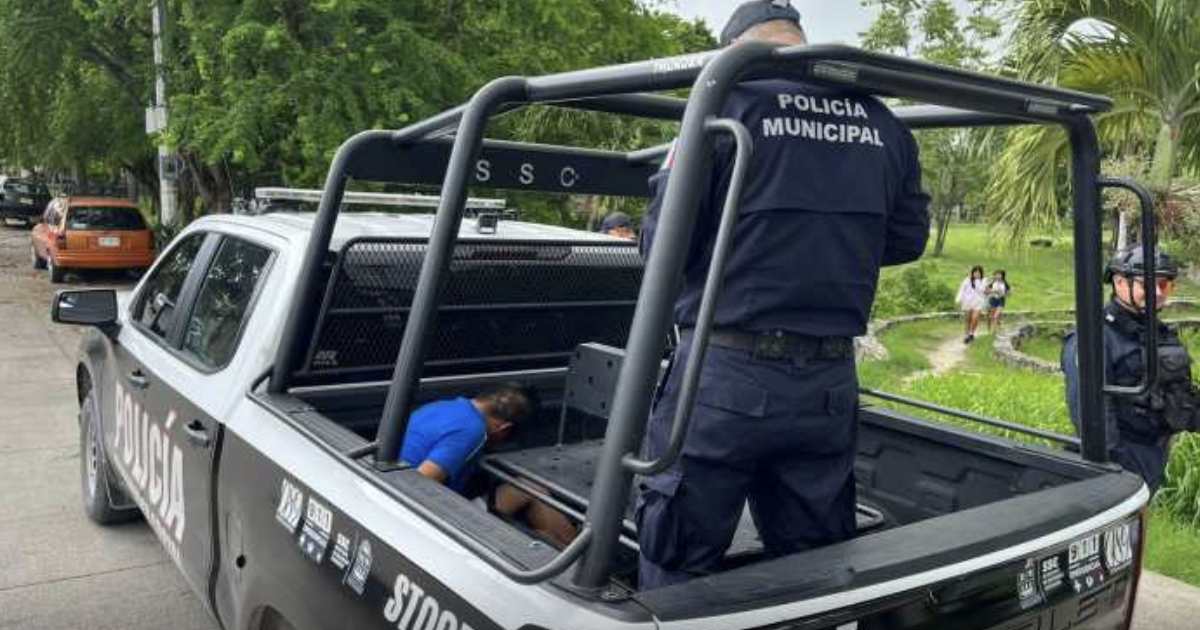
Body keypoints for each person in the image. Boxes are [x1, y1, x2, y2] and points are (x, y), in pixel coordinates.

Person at [635, 0, 930, 589]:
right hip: (827, 384)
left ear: (734, 49)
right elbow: (906, 239)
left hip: (724, 376)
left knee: (678, 558)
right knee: (814, 568)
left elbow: (664, 245)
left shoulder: (725, 102)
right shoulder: (883, 122)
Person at [1061, 246, 1200, 493]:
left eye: (1165, 285)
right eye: (1147, 283)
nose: (1157, 292)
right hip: (1117, 465)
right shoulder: (1093, 338)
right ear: (1119, 282)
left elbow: (1178, 394)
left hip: (1153, 456)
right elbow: (1092, 417)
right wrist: (1119, 471)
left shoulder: (1159, 334)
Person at [955, 265, 987, 343]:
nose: (976, 274)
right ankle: (966, 334)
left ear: (981, 273)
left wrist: (978, 281)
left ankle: (971, 333)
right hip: (968, 302)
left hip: (978, 302)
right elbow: (961, 289)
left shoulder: (984, 280)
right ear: (972, 273)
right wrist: (958, 299)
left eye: (978, 273)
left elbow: (982, 290)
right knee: (968, 319)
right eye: (975, 272)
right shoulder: (967, 280)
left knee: (975, 317)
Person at [985, 269, 1011, 335]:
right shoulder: (992, 283)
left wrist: (1005, 294)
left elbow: (1009, 294)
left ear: (1002, 276)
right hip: (993, 300)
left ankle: (992, 332)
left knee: (996, 316)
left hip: (1001, 301)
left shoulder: (1005, 283)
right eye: (996, 274)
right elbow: (986, 292)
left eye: (999, 274)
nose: (997, 276)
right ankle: (995, 329)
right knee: (992, 316)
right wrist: (994, 291)